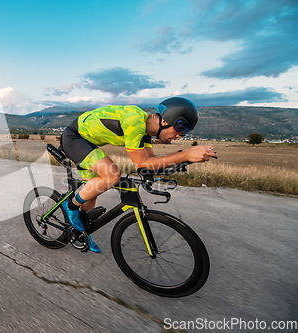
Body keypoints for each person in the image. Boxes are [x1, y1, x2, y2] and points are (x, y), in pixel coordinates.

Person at [60, 97, 218, 253]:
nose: (180, 136)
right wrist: (185, 154)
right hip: (75, 137)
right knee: (112, 175)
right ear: (165, 121)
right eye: (181, 129)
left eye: (185, 132)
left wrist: (185, 161)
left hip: (88, 142)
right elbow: (142, 162)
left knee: (93, 191)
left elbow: (151, 163)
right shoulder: (135, 120)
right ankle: (70, 206)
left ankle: (80, 232)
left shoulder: (145, 133)